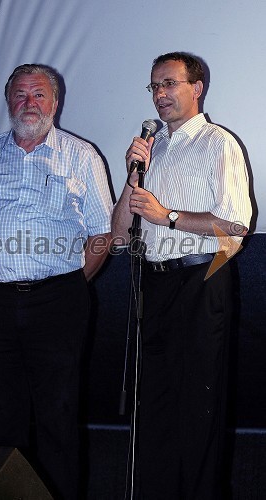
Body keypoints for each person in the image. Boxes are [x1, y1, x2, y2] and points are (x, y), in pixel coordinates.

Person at [0, 63, 112, 500]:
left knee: (57, 419)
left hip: (57, 302)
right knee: (0, 419)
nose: (30, 103)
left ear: (55, 102)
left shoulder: (81, 155)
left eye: (39, 94)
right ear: (8, 102)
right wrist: (3, 263)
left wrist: (67, 282)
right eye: (21, 94)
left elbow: (102, 234)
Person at [111, 52, 252, 499]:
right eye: (154, 86)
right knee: (153, 407)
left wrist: (167, 215)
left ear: (198, 88)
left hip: (201, 282)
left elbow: (236, 228)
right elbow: (117, 234)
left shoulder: (218, 144)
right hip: (153, 284)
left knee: (197, 410)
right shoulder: (152, 150)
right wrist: (132, 173)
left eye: (170, 84)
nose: (160, 95)